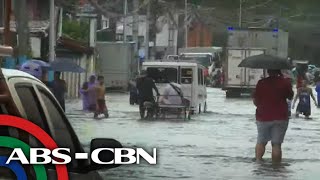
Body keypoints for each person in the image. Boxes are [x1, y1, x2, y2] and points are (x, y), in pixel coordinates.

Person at [253, 69, 294, 163]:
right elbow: (290, 96)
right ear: (279, 71)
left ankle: (258, 163)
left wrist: (261, 107)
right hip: (280, 117)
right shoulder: (285, 82)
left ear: (268, 71)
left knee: (261, 142)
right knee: (276, 144)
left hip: (263, 116)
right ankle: (276, 167)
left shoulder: (261, 83)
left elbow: (255, 101)